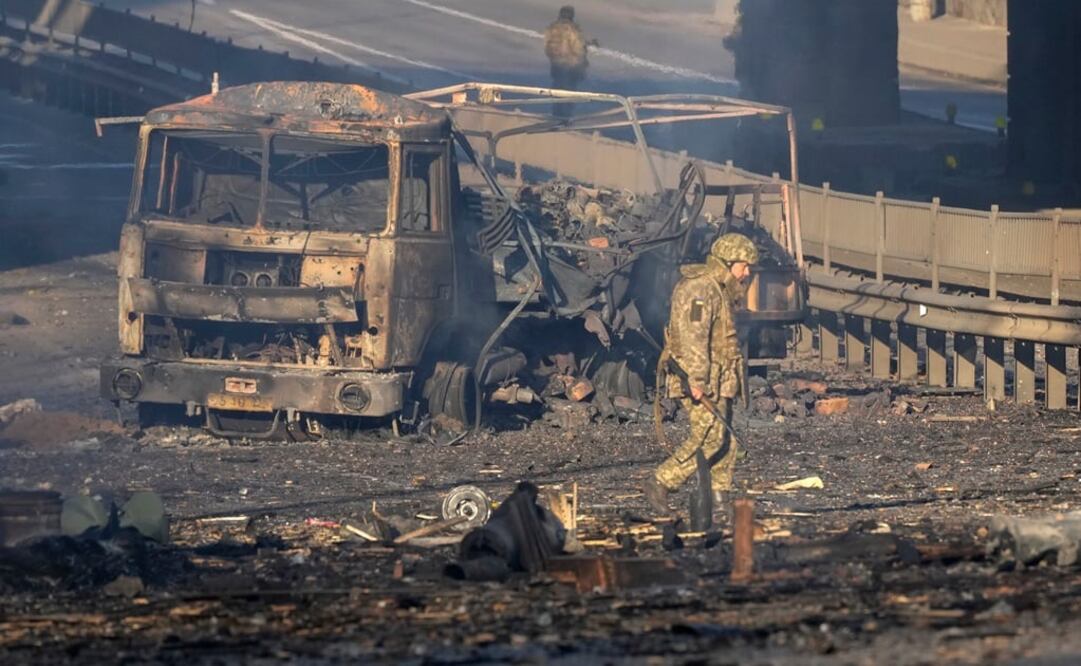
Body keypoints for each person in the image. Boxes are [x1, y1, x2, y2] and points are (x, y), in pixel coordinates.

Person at [644, 233, 759, 515]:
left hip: (719, 380)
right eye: (744, 265)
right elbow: (692, 338)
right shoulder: (700, 289)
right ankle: (661, 481)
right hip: (699, 379)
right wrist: (696, 381)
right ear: (728, 262)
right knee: (709, 436)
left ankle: (720, 495)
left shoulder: (718, 288)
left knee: (726, 438)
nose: (747, 272)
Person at [544, 6, 595, 116]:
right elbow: (578, 48)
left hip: (556, 64)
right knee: (568, 93)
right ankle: (564, 117)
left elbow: (547, 47)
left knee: (556, 90)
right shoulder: (573, 29)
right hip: (570, 66)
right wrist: (582, 63)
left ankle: (555, 114)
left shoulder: (552, 27)